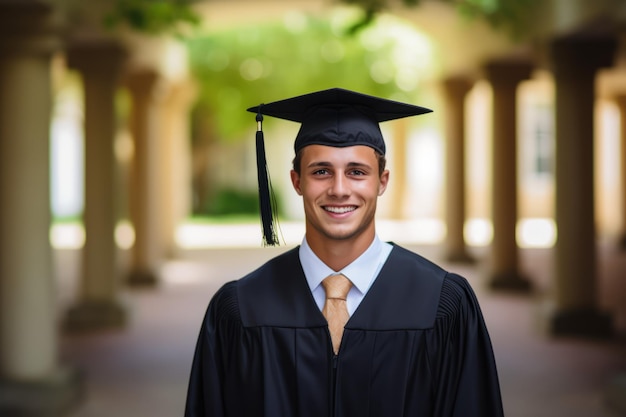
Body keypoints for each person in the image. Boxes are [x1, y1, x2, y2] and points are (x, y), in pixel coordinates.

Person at [184, 88, 504, 417]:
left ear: (382, 181)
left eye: (357, 172)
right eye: (321, 171)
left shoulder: (441, 303)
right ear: (297, 182)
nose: (339, 189)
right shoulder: (241, 308)